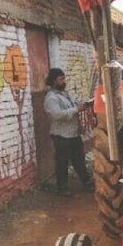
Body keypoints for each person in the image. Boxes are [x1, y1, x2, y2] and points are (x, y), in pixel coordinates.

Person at [44, 68, 94, 197]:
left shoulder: (65, 94)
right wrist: (76, 109)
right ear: (54, 81)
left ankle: (86, 182)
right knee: (62, 162)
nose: (64, 81)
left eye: (64, 78)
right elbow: (57, 115)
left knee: (79, 160)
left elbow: (74, 105)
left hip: (73, 134)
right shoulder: (51, 98)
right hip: (61, 135)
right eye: (61, 79)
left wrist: (84, 105)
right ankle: (62, 188)